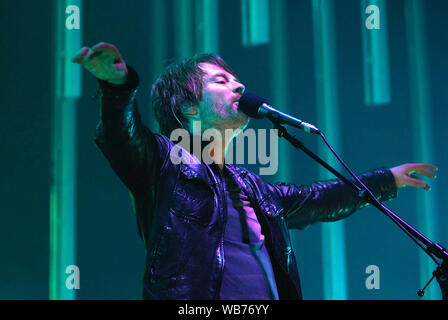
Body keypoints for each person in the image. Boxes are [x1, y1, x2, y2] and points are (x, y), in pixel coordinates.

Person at [72, 42, 438, 300]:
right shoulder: (164, 164)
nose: (239, 85)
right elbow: (123, 137)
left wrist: (387, 179)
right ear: (189, 106)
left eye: (236, 80)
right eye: (220, 81)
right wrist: (116, 88)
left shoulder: (251, 186)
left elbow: (319, 198)